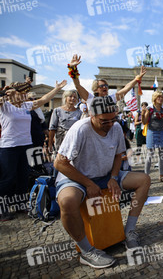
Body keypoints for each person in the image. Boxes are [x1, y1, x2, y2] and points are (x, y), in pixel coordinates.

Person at [53, 96, 151, 268]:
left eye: (113, 119)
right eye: (104, 121)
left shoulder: (115, 127)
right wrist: (89, 184)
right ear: (91, 115)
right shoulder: (80, 129)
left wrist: (113, 178)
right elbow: (59, 163)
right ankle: (87, 251)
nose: (110, 124)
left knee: (144, 180)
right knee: (67, 201)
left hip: (105, 175)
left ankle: (129, 231)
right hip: (77, 176)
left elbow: (118, 156)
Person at [0, 80, 66, 221]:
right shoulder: (4, 106)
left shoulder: (27, 106)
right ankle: (3, 208)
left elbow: (44, 99)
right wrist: (4, 94)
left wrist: (57, 88)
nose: (24, 96)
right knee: (8, 177)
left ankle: (20, 204)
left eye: (25, 94)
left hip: (26, 145)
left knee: (23, 176)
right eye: (21, 93)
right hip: (8, 147)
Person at [67, 54, 146, 110]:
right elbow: (78, 86)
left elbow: (126, 88)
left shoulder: (111, 99)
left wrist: (137, 78)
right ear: (95, 89)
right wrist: (73, 69)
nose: (105, 87)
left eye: (106, 86)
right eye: (101, 86)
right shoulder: (90, 98)